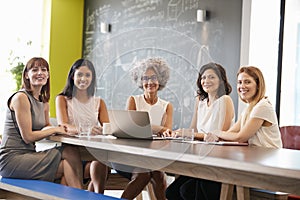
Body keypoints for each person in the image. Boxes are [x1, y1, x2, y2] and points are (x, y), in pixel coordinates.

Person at [0, 57, 82, 189]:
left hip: (30, 155)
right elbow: (28, 137)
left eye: (44, 70)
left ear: (48, 75)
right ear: (26, 75)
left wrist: (65, 128)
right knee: (68, 164)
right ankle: (82, 195)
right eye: (35, 70)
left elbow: (46, 126)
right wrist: (55, 129)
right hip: (12, 159)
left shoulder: (43, 102)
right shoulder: (21, 98)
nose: (40, 73)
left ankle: (79, 195)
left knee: (70, 153)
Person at [166, 62, 235, 200]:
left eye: (211, 77)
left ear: (221, 80)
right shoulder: (201, 101)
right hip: (199, 159)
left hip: (216, 160)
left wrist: (189, 134)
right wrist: (176, 133)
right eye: (203, 78)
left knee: (187, 191)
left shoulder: (225, 100)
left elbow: (220, 135)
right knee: (171, 192)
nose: (206, 81)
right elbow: (193, 130)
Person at [115, 57, 173, 200]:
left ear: (160, 80)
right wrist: (159, 129)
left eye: (153, 78)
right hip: (129, 154)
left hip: (153, 156)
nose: (149, 82)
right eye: (145, 78)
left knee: (158, 174)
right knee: (145, 174)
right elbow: (130, 127)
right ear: (140, 81)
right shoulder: (133, 101)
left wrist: (158, 129)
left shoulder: (166, 106)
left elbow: (168, 133)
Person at [56, 58, 109, 194]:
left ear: (92, 78)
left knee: (101, 163)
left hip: (92, 153)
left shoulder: (99, 102)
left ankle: (97, 196)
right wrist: (86, 130)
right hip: (70, 152)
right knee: (66, 178)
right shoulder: (62, 99)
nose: (83, 79)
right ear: (73, 76)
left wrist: (102, 131)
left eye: (87, 75)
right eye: (79, 74)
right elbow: (64, 126)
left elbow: (108, 128)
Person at [205, 66, 283, 148]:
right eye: (239, 82)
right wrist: (217, 136)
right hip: (257, 156)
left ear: (258, 85)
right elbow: (232, 132)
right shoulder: (248, 108)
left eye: (247, 82)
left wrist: (217, 133)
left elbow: (240, 137)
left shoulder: (262, 106)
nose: (242, 86)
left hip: (270, 158)